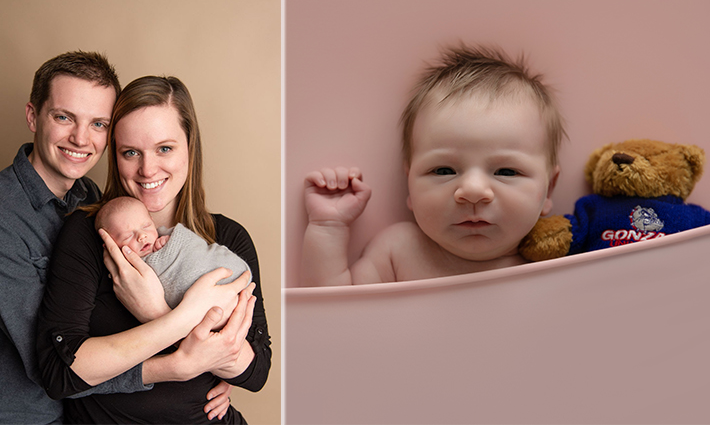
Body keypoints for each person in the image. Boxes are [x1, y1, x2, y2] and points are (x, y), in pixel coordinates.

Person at [37, 75, 271, 424]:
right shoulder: (90, 233)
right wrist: (180, 345)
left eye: (165, 148)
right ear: (115, 155)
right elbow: (59, 373)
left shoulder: (227, 237)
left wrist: (156, 312)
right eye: (130, 152)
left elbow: (255, 372)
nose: (147, 170)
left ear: (190, 146)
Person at [302, 44, 565, 286]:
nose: (472, 191)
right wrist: (328, 228)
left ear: (548, 190)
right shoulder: (400, 251)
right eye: (443, 170)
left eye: (506, 171)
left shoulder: (553, 266)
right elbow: (336, 315)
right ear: (410, 184)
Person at [0, 51, 131, 422]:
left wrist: (208, 366)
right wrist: (178, 367)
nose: (81, 138)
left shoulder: (91, 200)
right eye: (64, 117)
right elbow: (55, 361)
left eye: (98, 124)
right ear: (33, 117)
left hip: (82, 414)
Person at [95, 196, 250, 311]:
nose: (142, 236)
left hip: (227, 275)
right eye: (128, 236)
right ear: (111, 245)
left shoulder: (232, 233)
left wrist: (169, 243)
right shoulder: (123, 273)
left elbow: (189, 249)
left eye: (146, 226)